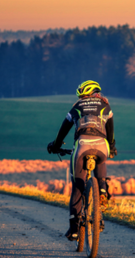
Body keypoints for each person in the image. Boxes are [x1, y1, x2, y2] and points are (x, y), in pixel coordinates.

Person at [47, 80, 117, 241]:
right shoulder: (106, 105)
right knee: (101, 158)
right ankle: (102, 191)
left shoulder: (77, 107)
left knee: (78, 188)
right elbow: (110, 131)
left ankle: (74, 230)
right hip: (101, 146)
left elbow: (63, 130)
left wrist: (56, 145)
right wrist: (112, 147)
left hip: (82, 146)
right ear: (96, 93)